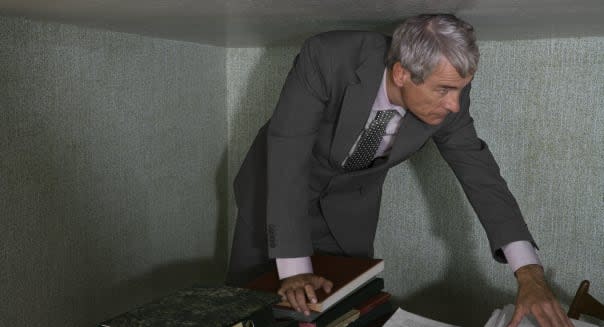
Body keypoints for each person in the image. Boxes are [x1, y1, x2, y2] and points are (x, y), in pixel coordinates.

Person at [226, 14, 573, 327]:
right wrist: (295, 271)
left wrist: (529, 274)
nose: (454, 104)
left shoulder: (450, 98)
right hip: (274, 197)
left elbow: (480, 173)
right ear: (402, 73)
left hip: (348, 211)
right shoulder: (328, 57)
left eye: (461, 90)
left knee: (349, 312)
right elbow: (287, 153)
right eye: (444, 90)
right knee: (249, 311)